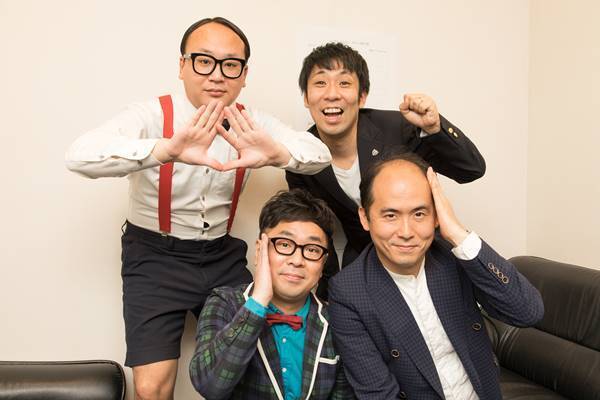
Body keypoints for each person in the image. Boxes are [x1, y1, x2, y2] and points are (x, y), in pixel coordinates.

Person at [65, 17, 331, 400]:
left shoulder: (250, 122)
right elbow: (79, 156)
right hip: (154, 256)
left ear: (244, 74)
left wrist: (277, 153)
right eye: (204, 61)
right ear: (182, 66)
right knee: (152, 388)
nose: (217, 75)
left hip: (222, 255)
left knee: (252, 363)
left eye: (230, 65)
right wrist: (163, 150)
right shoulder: (151, 115)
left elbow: (319, 154)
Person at [328, 153, 544, 399]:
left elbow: (528, 312)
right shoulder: (348, 291)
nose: (406, 232)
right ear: (365, 218)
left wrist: (458, 234)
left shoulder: (454, 255)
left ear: (436, 215)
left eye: (419, 214)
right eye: (390, 215)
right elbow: (378, 394)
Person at [286, 42, 486, 298]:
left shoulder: (397, 127)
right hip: (363, 260)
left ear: (362, 96)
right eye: (320, 83)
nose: (332, 94)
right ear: (306, 97)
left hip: (425, 256)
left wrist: (434, 128)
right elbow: (316, 229)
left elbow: (471, 170)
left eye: (344, 83)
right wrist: (326, 294)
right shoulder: (300, 156)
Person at [189, 189, 353, 399]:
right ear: (260, 250)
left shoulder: (337, 320)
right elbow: (210, 385)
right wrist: (258, 302)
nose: (297, 260)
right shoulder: (224, 303)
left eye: (312, 249)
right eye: (284, 244)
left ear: (323, 263)